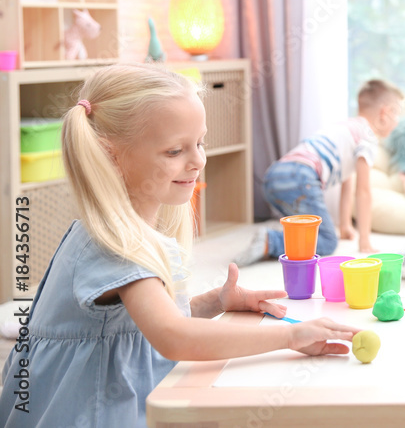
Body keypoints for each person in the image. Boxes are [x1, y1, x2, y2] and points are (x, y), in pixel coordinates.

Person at [0, 64, 359, 428]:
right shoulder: (118, 245)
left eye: (199, 143)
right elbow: (173, 337)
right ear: (111, 156)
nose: (198, 160)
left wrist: (215, 302)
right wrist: (290, 335)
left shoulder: (117, 231)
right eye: (174, 151)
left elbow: (139, 324)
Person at [235, 79, 403, 264]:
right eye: (397, 115)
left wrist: (345, 225)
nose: (397, 122)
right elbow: (362, 192)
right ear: (384, 113)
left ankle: (273, 240)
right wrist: (365, 240)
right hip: (301, 177)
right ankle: (271, 241)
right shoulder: (368, 137)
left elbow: (347, 184)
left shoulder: (346, 128)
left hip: (274, 178)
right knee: (327, 241)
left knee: (307, 230)